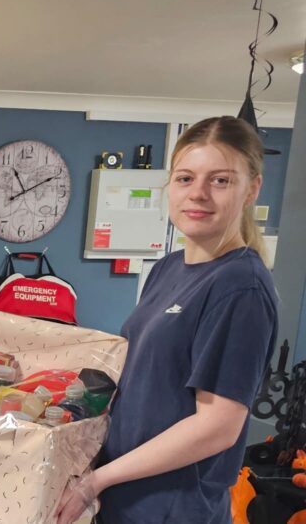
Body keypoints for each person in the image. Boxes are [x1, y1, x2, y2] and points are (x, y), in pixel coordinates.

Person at [55, 116, 278, 524]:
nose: (199, 194)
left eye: (221, 180)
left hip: (171, 507)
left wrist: (97, 480)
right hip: (125, 497)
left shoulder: (240, 286)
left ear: (252, 189)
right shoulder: (168, 268)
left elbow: (216, 427)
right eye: (185, 178)